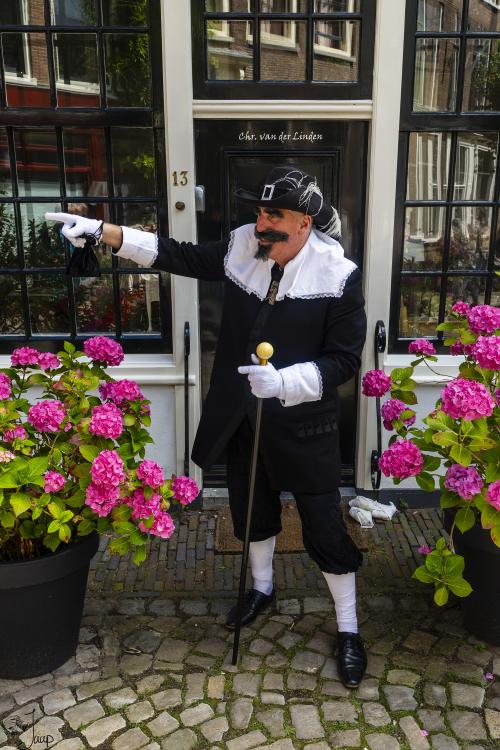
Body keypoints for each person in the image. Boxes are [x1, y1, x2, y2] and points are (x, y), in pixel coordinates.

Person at [46, 166, 368, 688]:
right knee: (249, 506)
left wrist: (286, 381)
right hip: (242, 414)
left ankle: (349, 628)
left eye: (275, 216)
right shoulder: (243, 245)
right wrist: (104, 233)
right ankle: (261, 589)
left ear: (305, 222)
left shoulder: (339, 275)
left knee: (323, 525)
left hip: (305, 423)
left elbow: (344, 361)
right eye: (259, 213)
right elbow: (180, 255)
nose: (261, 224)